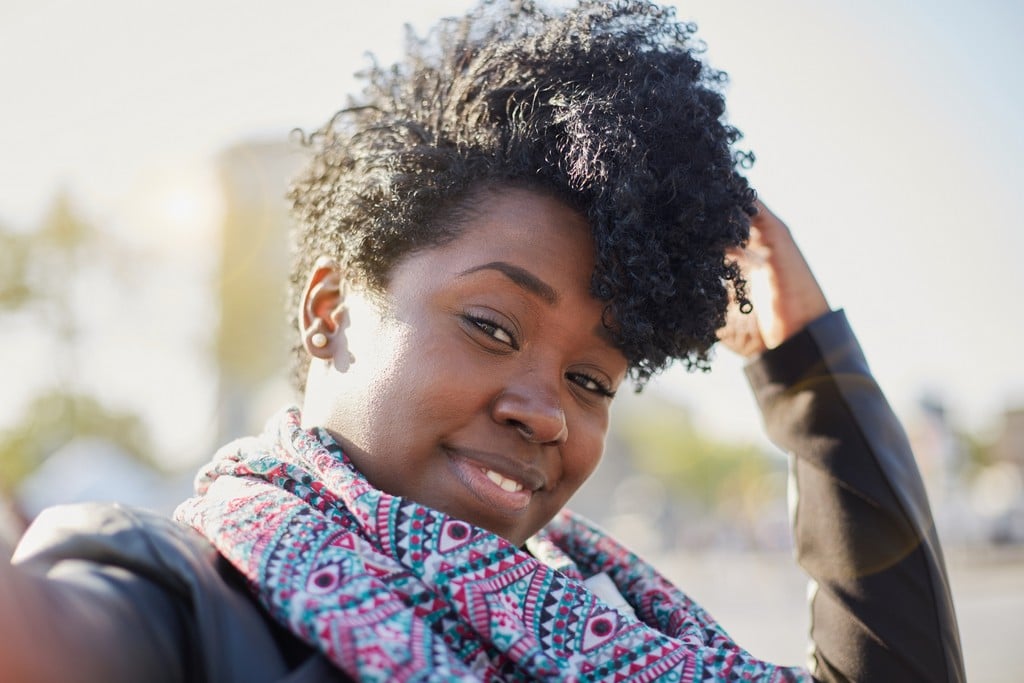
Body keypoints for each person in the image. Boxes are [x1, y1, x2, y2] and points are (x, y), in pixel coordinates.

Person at [1, 0, 964, 681]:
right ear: (329, 309)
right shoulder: (178, 600)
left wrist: (804, 371)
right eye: (492, 325)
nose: (545, 410)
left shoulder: (607, 627)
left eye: (592, 378)